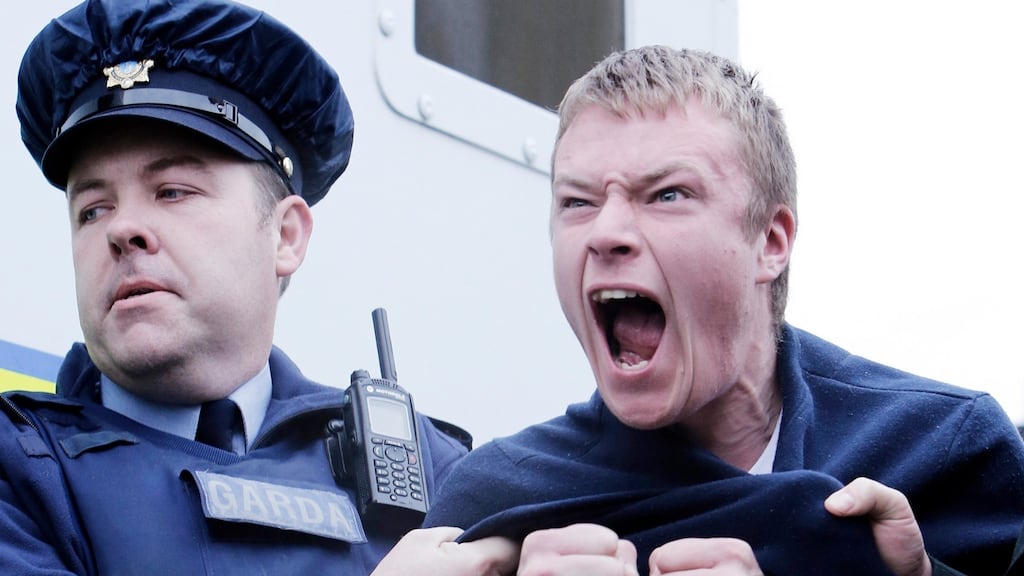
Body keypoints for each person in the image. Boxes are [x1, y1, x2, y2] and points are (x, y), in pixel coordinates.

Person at [422, 45, 1024, 575]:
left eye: (667, 195)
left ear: (771, 241)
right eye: (576, 202)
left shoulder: (944, 450)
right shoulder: (493, 500)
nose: (605, 232)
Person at [0, 0, 518, 574]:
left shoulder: (433, 473)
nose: (122, 230)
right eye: (93, 210)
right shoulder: (19, 472)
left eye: (173, 191)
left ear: (286, 236)